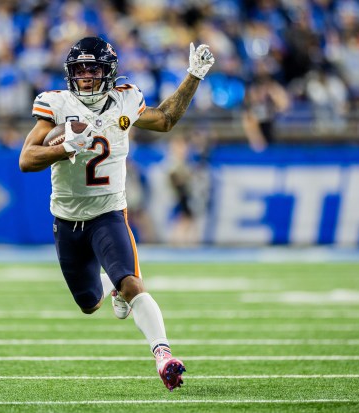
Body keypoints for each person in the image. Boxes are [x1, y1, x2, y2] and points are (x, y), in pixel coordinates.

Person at [18, 36, 214, 391]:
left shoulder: (125, 98)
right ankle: (109, 289)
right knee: (88, 303)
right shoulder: (56, 104)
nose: (86, 78)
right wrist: (64, 148)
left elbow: (166, 118)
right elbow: (26, 159)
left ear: (108, 72)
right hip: (67, 218)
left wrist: (194, 76)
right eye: (80, 70)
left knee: (133, 282)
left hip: (110, 211)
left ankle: (164, 356)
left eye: (93, 69)